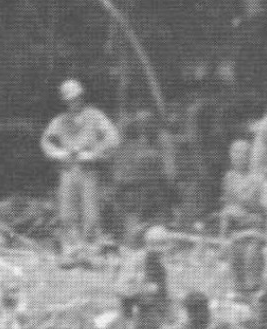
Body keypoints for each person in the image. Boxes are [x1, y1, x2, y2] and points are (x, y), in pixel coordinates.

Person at [41, 78, 119, 263]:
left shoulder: (95, 116)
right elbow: (46, 141)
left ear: (81, 97)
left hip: (87, 168)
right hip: (67, 169)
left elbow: (113, 138)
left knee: (90, 212)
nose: (73, 102)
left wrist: (94, 153)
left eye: (76, 98)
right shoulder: (60, 121)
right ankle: (71, 250)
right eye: (69, 100)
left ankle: (91, 251)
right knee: (67, 212)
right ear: (64, 101)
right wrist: (58, 153)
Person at [218, 137, 267, 304]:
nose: (239, 157)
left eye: (243, 153)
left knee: (251, 254)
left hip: (254, 229)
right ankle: (240, 294)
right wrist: (222, 237)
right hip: (236, 230)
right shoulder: (229, 178)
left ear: (250, 155)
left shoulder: (259, 179)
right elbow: (226, 207)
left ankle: (254, 291)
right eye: (235, 152)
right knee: (234, 254)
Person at [113, 110, 176, 245]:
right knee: (133, 236)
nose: (143, 126)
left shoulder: (162, 140)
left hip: (156, 194)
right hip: (134, 196)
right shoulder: (129, 144)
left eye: (147, 122)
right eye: (140, 122)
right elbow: (119, 176)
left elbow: (170, 173)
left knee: (157, 236)